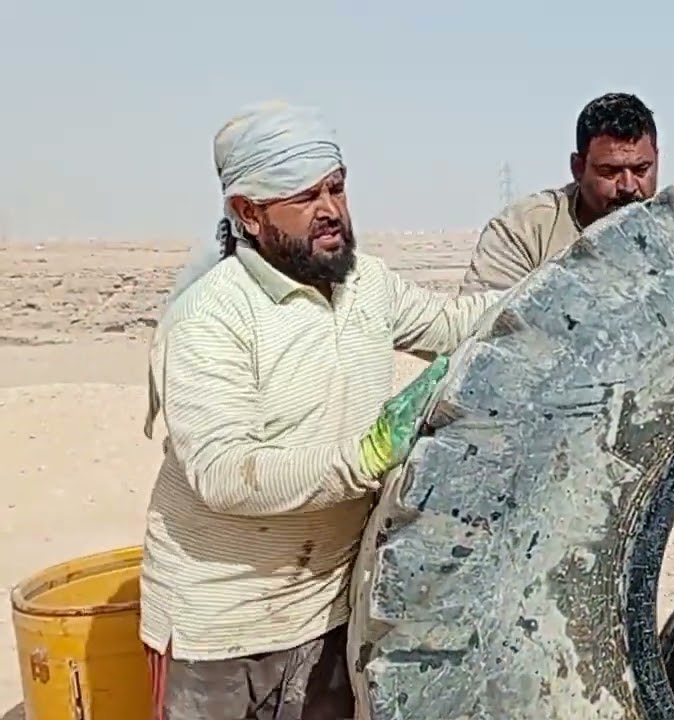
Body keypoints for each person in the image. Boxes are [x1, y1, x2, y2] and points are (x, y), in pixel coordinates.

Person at [140, 100, 502, 720]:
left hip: (330, 611)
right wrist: (363, 458)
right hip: (221, 629)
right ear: (248, 214)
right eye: (304, 197)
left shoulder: (368, 284)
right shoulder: (210, 319)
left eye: (336, 187)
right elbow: (224, 473)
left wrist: (568, 285)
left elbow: (455, 323)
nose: (331, 209)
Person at [460, 92, 659, 292]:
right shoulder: (525, 230)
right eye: (609, 172)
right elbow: (486, 317)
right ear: (578, 168)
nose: (628, 186)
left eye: (641, 170)